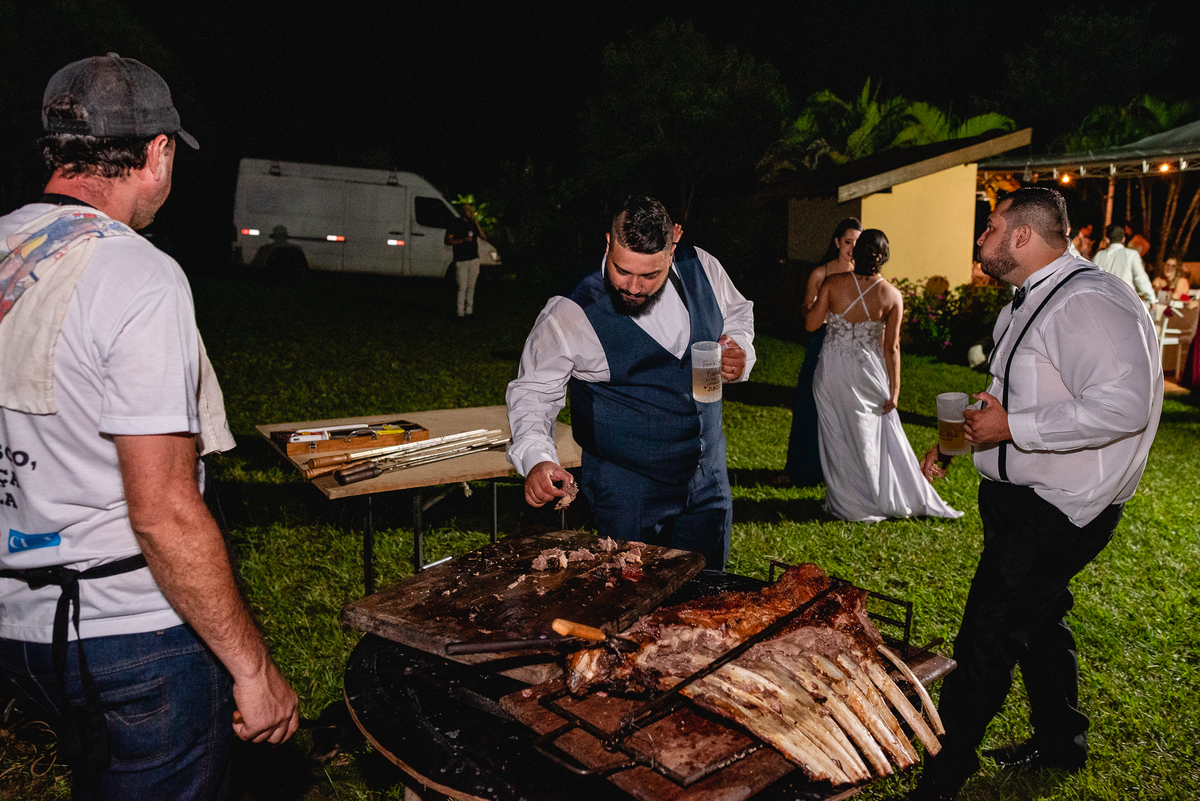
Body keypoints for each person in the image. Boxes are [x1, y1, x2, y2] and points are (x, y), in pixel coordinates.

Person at [0, 54, 298, 799]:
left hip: (21, 628)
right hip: (129, 636)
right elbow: (163, 511)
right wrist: (254, 670)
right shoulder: (136, 273)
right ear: (158, 153)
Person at [912, 188, 1162, 800]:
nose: (980, 238)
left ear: (1023, 236)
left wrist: (1014, 429)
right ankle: (1061, 738)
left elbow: (1123, 407)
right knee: (1041, 620)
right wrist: (955, 444)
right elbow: (1010, 399)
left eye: (990, 226)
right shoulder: (1024, 302)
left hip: (1062, 507)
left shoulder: (1089, 303)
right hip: (1017, 498)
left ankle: (943, 776)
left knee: (986, 635)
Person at [506, 196, 755, 569]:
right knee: (629, 604)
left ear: (674, 244)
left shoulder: (702, 265)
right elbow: (533, 393)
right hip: (627, 490)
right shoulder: (571, 311)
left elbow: (738, 313)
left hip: (708, 478)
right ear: (608, 243)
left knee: (707, 598)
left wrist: (741, 351)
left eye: (649, 275)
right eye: (622, 270)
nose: (634, 287)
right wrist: (537, 459)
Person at [804, 230, 962, 523]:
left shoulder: (832, 283)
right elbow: (892, 348)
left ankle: (847, 501)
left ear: (857, 252)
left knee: (836, 435)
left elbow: (812, 325)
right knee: (871, 436)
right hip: (868, 372)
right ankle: (874, 495)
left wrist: (814, 305)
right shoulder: (892, 295)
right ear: (884, 257)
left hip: (832, 370)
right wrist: (895, 389)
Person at [780, 217, 862, 487]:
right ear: (837, 242)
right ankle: (800, 468)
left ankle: (839, 470)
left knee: (845, 407)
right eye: (847, 241)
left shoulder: (863, 274)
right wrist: (814, 308)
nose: (851, 247)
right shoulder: (820, 273)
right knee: (809, 404)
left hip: (851, 347)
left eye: (857, 242)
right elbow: (806, 313)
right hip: (821, 342)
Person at [1093, 223, 1155, 304]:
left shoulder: (1098, 256)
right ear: (1123, 239)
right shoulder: (1131, 254)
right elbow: (1141, 278)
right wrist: (1152, 298)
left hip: (1103, 302)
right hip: (1125, 302)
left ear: (1108, 238)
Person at [445, 204, 485, 318]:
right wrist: (462, 240)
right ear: (462, 211)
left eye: (471, 210)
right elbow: (448, 240)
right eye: (467, 210)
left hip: (474, 259)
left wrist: (476, 223)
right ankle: (460, 312)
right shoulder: (455, 223)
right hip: (461, 259)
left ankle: (469, 311)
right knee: (462, 286)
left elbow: (484, 237)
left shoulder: (473, 225)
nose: (469, 212)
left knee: (471, 286)